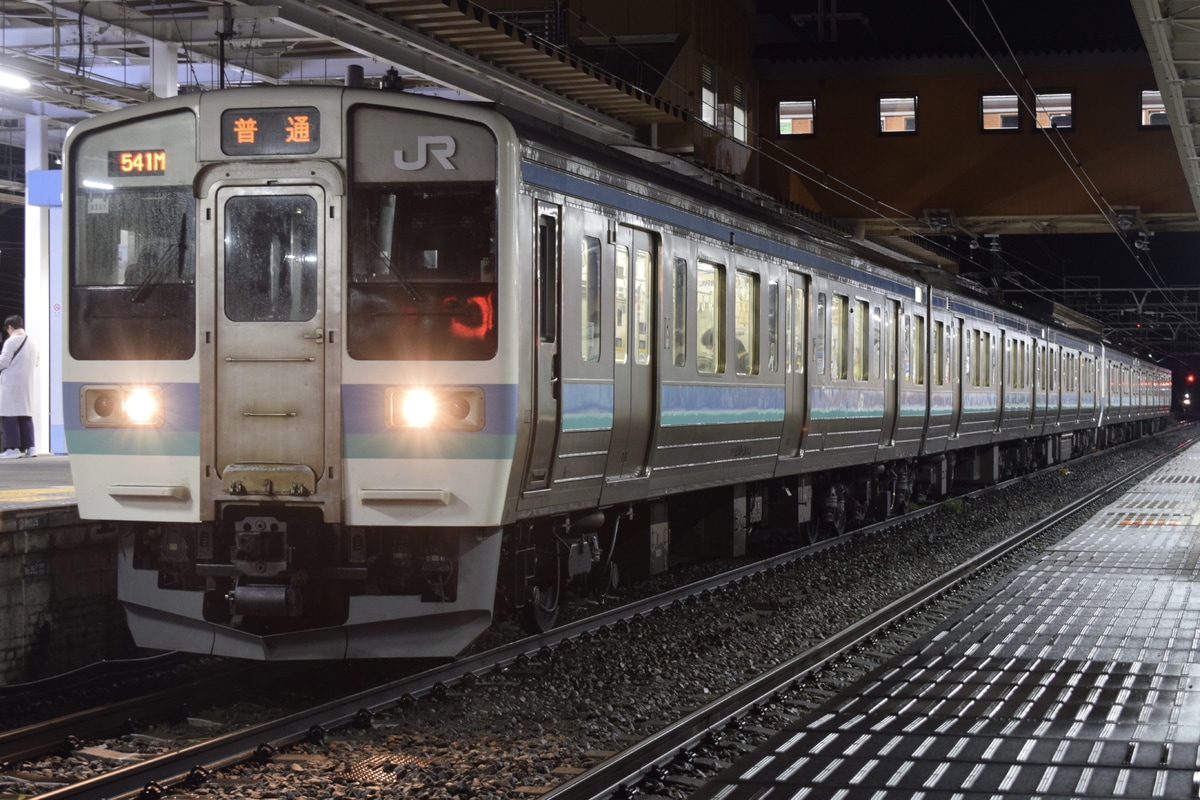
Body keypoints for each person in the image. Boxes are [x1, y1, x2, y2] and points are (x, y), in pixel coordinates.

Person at [0, 315, 38, 459]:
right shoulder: (33, 341)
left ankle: (12, 448)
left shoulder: (11, 341)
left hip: (11, 383)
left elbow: (3, 362)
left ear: (10, 327)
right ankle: (31, 447)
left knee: (9, 414)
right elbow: (36, 362)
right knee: (25, 414)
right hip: (27, 382)